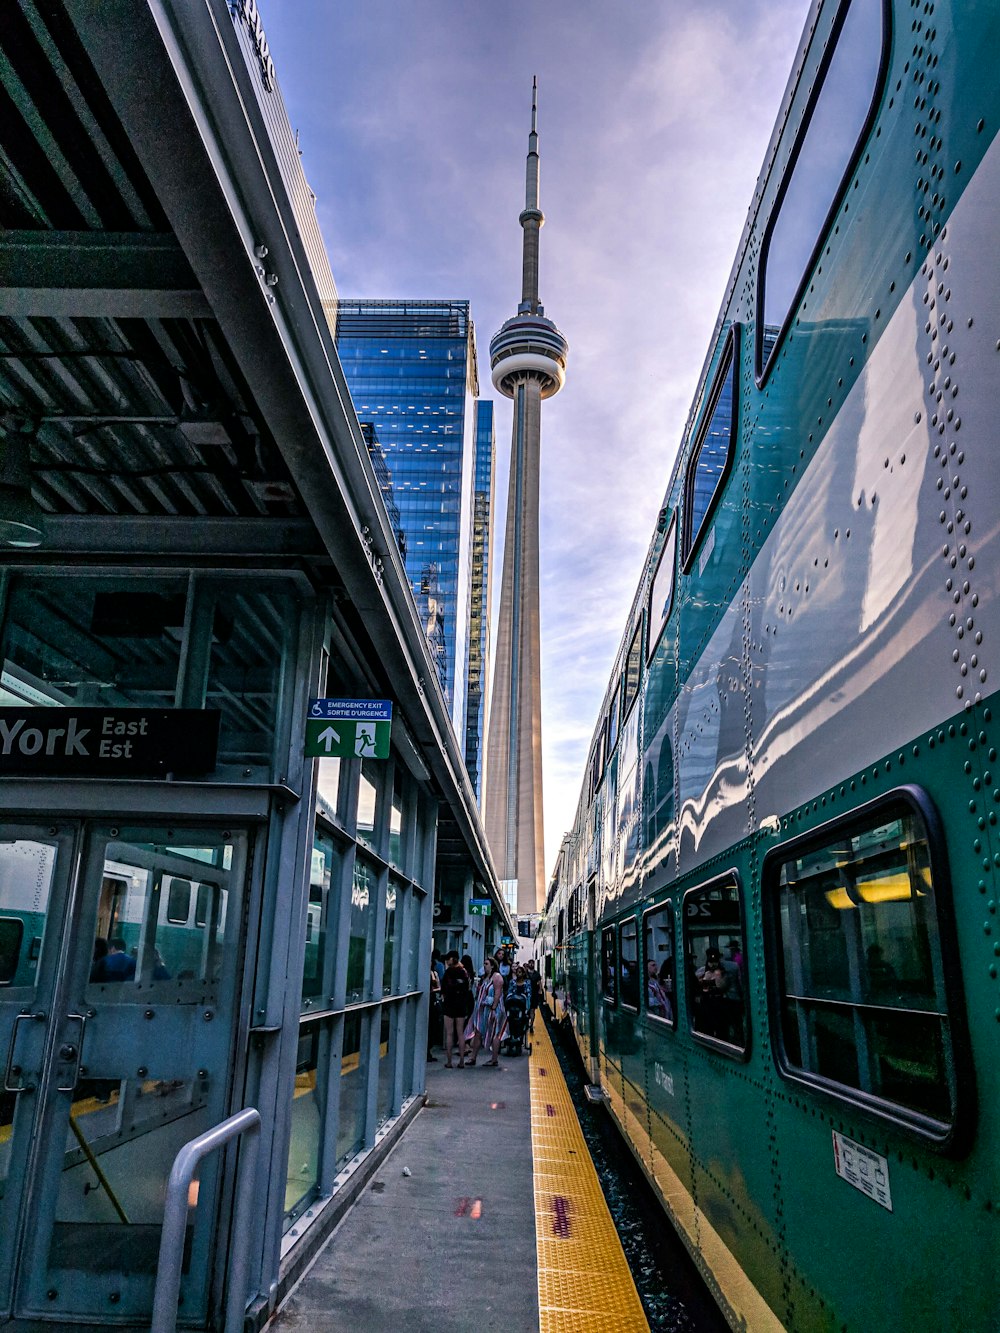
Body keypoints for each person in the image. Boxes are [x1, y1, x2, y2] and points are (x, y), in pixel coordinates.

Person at [464, 956, 508, 1066]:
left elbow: (497, 994)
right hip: (482, 1010)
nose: (484, 965)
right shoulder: (486, 977)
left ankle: (494, 1059)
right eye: (484, 963)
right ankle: (473, 1057)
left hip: (493, 1009)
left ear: (492, 965)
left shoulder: (497, 977)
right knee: (478, 1032)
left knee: (495, 1033)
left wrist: (493, 1008)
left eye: (487, 963)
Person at [441, 951, 472, 1067]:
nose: (447, 961)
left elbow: (443, 989)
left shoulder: (448, 972)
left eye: (448, 959)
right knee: (460, 1033)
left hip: (449, 1004)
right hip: (461, 1004)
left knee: (449, 1034)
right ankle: (462, 1061)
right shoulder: (464, 972)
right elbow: (467, 989)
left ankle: (449, 1062)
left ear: (452, 959)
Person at [427, 963, 442, 1061]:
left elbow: (438, 986)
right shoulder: (431, 973)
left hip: (431, 1000)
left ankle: (428, 1049)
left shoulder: (433, 973)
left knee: (432, 1026)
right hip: (430, 1001)